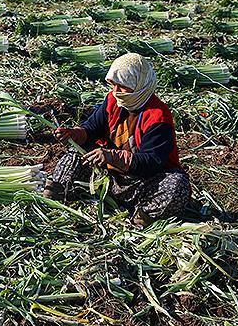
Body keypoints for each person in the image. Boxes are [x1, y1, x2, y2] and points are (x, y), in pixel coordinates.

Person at [44, 53, 191, 227]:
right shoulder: (113, 100)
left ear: (138, 84)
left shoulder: (158, 116)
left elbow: (152, 162)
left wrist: (112, 156)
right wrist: (75, 134)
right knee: (76, 152)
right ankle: (56, 194)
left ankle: (142, 217)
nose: (116, 92)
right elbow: (91, 128)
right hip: (106, 178)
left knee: (177, 185)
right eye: (113, 85)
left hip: (141, 185)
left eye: (122, 87)